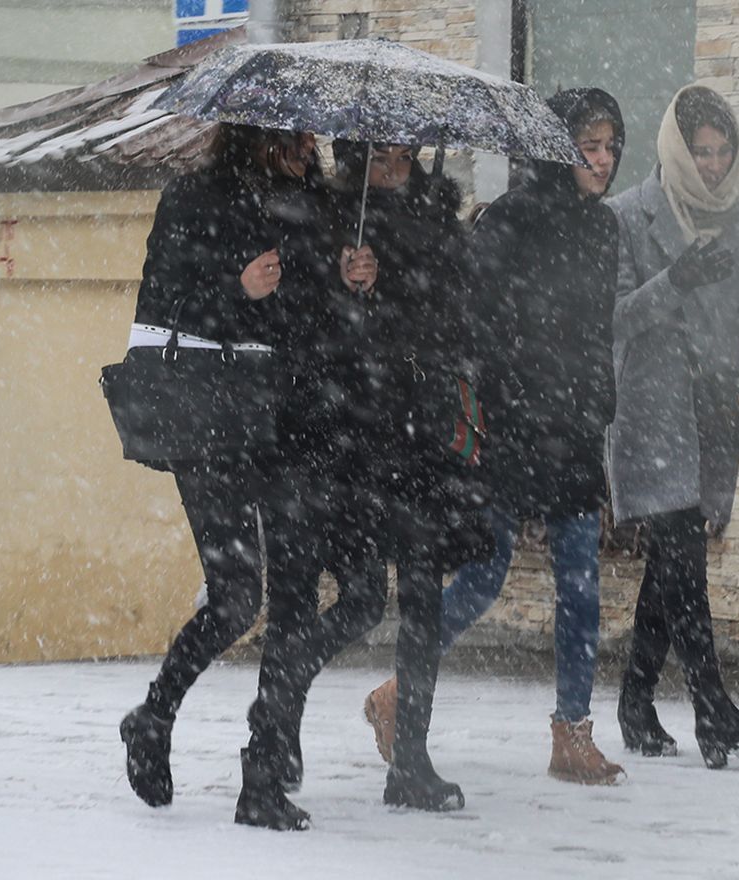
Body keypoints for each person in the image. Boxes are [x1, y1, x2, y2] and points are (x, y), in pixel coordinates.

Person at [362, 88, 627, 786]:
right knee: (485, 575)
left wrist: (597, 406)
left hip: (572, 426)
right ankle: (400, 691)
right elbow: (472, 325)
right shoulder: (506, 223)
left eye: (609, 147)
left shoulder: (603, 230)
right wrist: (502, 402)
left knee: (580, 582)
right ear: (556, 151)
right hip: (511, 425)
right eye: (587, 147)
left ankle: (572, 733)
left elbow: (597, 332)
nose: (601, 160)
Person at [118, 124, 351, 827]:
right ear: (252, 132)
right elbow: (159, 310)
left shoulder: (319, 203)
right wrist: (236, 289)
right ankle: (153, 716)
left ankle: (263, 776)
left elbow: (319, 321)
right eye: (290, 132)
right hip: (213, 420)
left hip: (291, 423)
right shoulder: (195, 197)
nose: (305, 144)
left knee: (295, 604)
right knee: (236, 596)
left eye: (311, 133)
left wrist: (349, 281)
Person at [607, 84, 739, 769]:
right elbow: (612, 319)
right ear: (676, 151)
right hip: (652, 413)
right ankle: (715, 713)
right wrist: (673, 282)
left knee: (671, 563)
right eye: (701, 153)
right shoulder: (628, 216)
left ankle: (634, 702)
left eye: (723, 153)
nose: (713, 166)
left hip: (714, 411)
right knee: (682, 555)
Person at [306, 139, 487, 812]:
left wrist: (399, 292)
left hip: (419, 436)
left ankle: (410, 758)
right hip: (351, 436)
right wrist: (348, 286)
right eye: (380, 156)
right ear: (356, 158)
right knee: (357, 600)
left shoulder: (439, 220)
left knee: (423, 596)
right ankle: (277, 714)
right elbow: (312, 329)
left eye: (405, 155)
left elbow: (457, 318)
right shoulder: (330, 220)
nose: (394, 168)